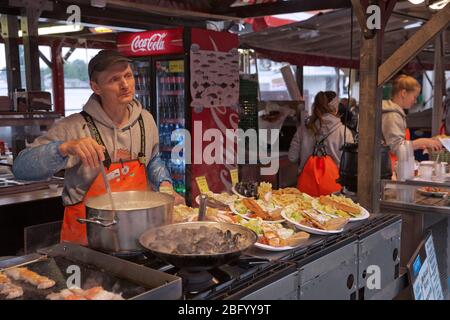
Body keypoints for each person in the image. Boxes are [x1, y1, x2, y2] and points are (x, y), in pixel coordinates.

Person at [13, 49, 184, 245]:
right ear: (96, 87)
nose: (125, 85)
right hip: (87, 239)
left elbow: (153, 160)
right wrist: (64, 147)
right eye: (114, 80)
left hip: (138, 235)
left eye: (128, 76)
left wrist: (164, 183)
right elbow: (21, 168)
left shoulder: (146, 120)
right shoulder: (73, 127)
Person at [288, 91, 354, 195]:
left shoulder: (303, 129)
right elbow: (349, 166)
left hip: (306, 191)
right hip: (334, 191)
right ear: (336, 109)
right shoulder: (344, 132)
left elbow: (292, 157)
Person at [382, 75, 442, 167]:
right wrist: (422, 141)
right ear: (403, 93)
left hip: (394, 166)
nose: (415, 101)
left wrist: (420, 144)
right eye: (414, 97)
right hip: (387, 167)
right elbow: (396, 148)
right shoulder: (392, 115)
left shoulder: (397, 113)